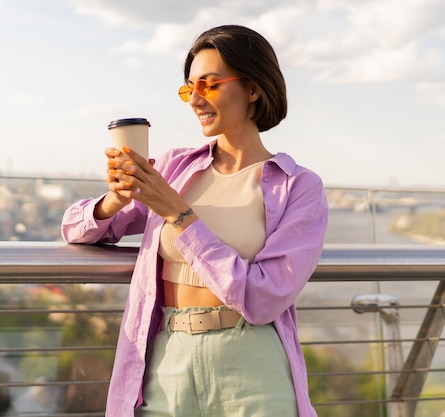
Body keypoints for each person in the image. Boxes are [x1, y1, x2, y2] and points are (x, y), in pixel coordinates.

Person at [61, 25, 328, 417]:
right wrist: (116, 199)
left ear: (253, 88)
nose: (195, 99)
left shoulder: (298, 186)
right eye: (189, 88)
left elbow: (262, 298)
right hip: (168, 359)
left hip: (252, 364)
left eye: (210, 84)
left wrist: (179, 214)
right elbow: (74, 229)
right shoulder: (173, 168)